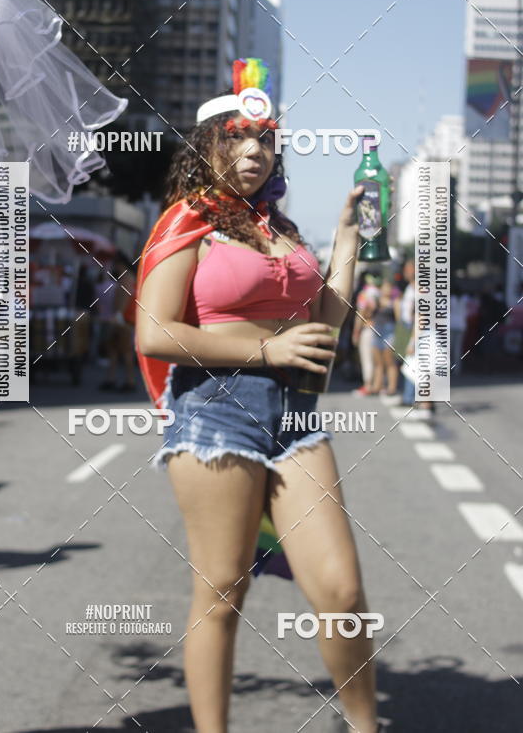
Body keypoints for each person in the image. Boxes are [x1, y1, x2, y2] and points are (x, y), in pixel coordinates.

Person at [135, 58, 383, 733]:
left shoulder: (284, 231)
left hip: (296, 415)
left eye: (265, 138)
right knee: (222, 593)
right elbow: (156, 332)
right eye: (236, 137)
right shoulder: (189, 220)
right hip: (215, 413)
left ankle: (367, 727)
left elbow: (323, 333)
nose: (253, 151)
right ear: (207, 146)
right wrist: (266, 349)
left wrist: (348, 244)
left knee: (342, 592)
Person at [99, 253, 137, 392]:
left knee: (124, 351)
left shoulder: (126, 278)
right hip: (124, 318)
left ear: (120, 264)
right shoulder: (128, 277)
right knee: (114, 349)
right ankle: (112, 378)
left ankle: (129, 381)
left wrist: (118, 316)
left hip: (123, 319)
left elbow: (125, 298)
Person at [368, 279, 400, 396]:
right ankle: (377, 385)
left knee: (389, 360)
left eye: (389, 288)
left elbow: (399, 318)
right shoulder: (377, 300)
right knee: (377, 360)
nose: (387, 290)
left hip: (389, 331)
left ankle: (392, 387)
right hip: (377, 330)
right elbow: (369, 314)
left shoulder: (394, 301)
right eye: (385, 287)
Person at [352, 273, 380, 395]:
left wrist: (356, 332)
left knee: (366, 357)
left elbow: (361, 314)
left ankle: (368, 385)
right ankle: (376, 384)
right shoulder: (379, 292)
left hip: (367, 327)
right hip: (379, 327)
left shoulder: (365, 293)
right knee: (376, 359)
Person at [449, 284, 468, 376]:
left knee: (449, 348)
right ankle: (457, 369)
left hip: (452, 325)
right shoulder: (465, 299)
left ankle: (449, 367)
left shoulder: (451, 299)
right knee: (458, 349)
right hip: (461, 325)